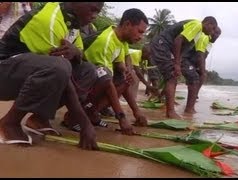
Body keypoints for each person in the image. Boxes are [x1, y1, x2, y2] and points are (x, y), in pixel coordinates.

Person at [0, 2, 104, 150]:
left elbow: (80, 53)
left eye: (97, 12)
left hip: (24, 71)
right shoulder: (50, 19)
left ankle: (39, 119)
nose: (94, 16)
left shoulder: (73, 23)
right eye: (92, 9)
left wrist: (76, 51)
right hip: (5, 71)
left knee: (88, 70)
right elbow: (60, 73)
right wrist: (85, 124)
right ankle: (9, 122)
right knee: (59, 67)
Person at [64, 8, 149, 134]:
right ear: (127, 25)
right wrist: (122, 117)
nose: (141, 37)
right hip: (74, 80)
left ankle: (92, 113)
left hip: (92, 79)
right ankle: (72, 116)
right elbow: (107, 82)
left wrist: (136, 110)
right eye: (140, 32)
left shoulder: (121, 40)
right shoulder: (106, 41)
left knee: (124, 79)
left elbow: (125, 58)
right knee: (109, 80)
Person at [150, 16, 218, 119]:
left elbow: (182, 48)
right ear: (207, 23)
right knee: (172, 77)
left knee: (172, 76)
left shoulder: (199, 34)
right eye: (213, 29)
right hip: (162, 45)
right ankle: (171, 112)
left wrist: (177, 61)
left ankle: (165, 102)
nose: (213, 32)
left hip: (167, 48)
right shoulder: (197, 25)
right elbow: (178, 40)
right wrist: (177, 64)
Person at [181, 26, 221, 114]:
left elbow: (203, 56)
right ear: (212, 31)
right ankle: (189, 109)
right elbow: (200, 55)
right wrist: (202, 71)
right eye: (216, 34)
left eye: (218, 36)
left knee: (200, 77)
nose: (216, 37)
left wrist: (201, 70)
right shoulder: (205, 37)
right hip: (185, 60)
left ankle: (194, 98)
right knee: (195, 79)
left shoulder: (210, 44)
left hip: (193, 63)